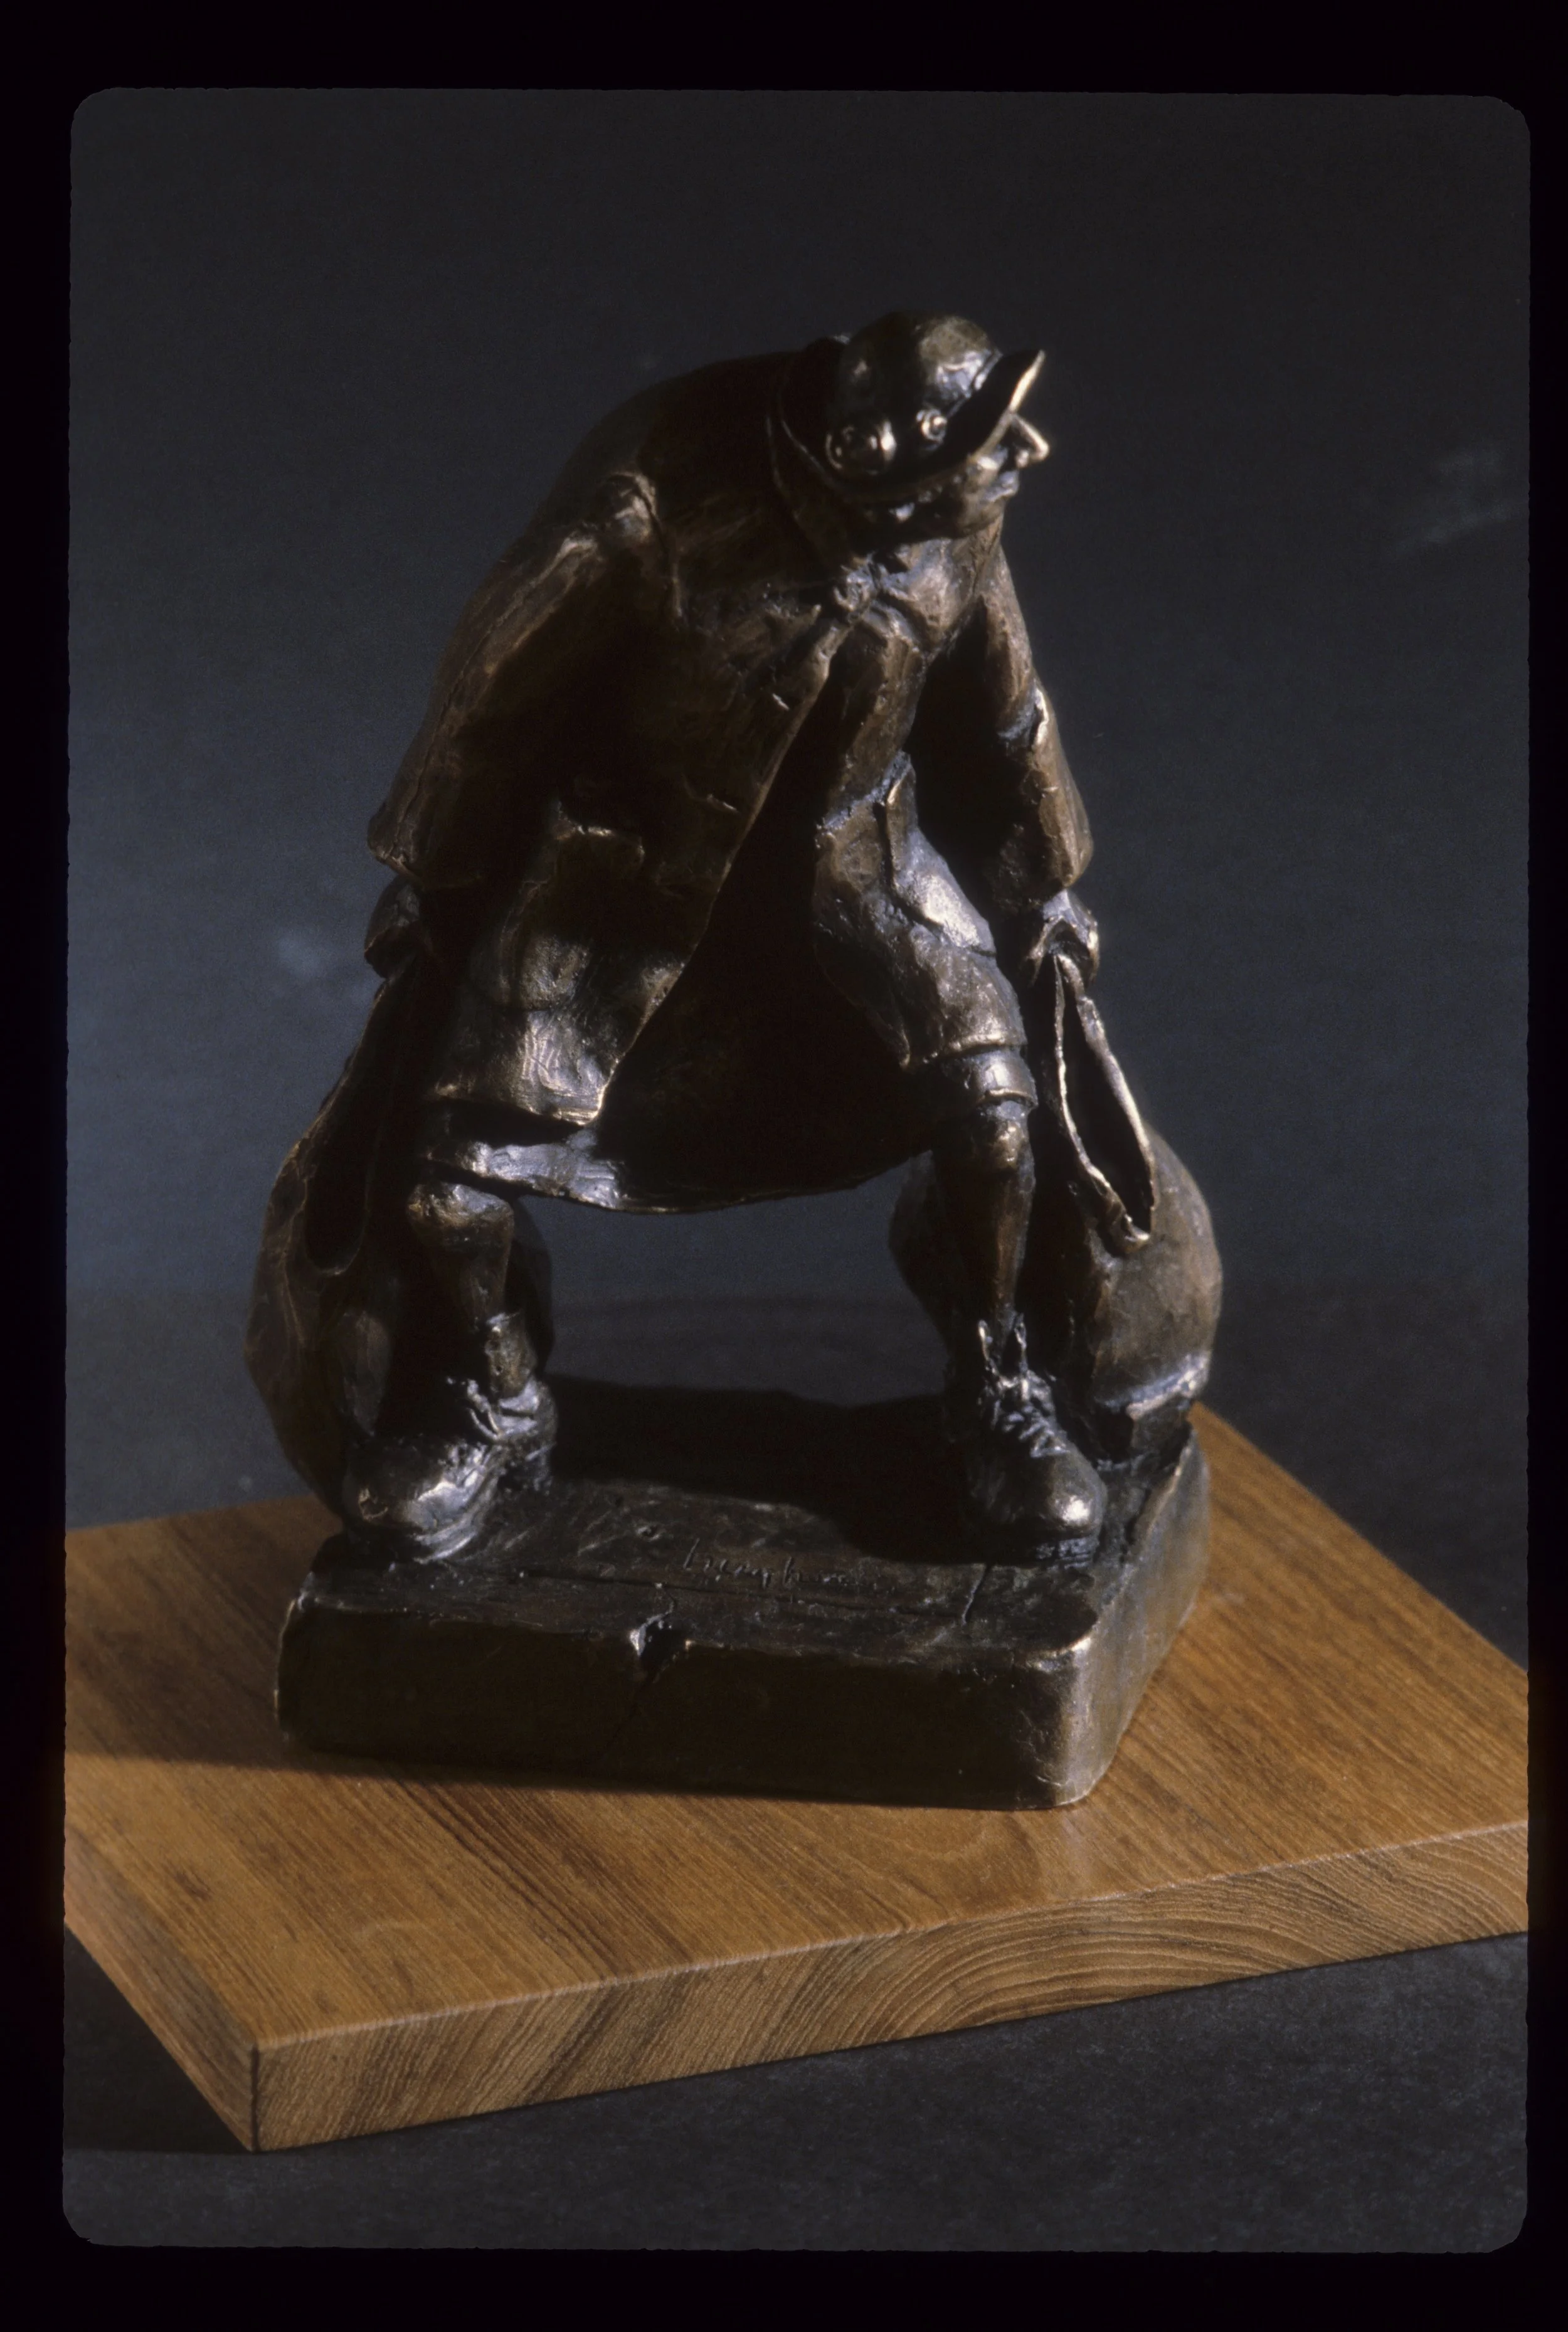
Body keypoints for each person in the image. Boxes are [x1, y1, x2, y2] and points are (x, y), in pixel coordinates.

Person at [248, 312, 1219, 1561]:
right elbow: (488, 699)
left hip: (861, 876)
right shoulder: (648, 510)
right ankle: (488, 1391)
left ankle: (998, 1378)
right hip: (618, 891)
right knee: (448, 1187)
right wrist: (437, 880)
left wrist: (1042, 888)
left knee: (993, 1117)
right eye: (987, 435)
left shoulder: (954, 524)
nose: (1025, 450)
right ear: (872, 455)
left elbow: (1007, 713)